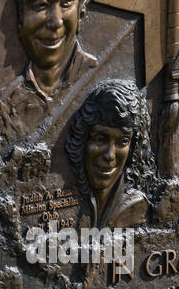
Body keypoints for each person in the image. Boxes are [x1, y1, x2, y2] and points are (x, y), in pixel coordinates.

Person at [0, 0, 96, 141]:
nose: (55, 21)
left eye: (67, 2)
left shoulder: (97, 75)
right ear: (20, 18)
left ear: (81, 15)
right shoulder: (8, 102)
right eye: (41, 4)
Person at [65, 80, 154, 227]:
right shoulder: (77, 202)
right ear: (82, 140)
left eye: (122, 142)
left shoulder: (135, 207)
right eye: (100, 139)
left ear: (133, 149)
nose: (110, 155)